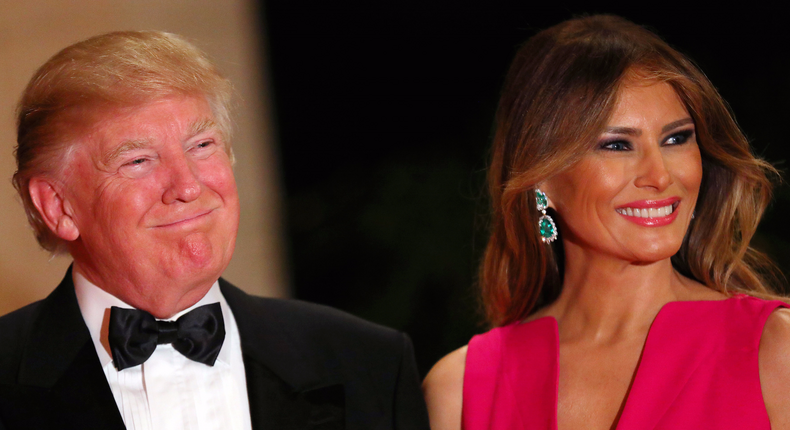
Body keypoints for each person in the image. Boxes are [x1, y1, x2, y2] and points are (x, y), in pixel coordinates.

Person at [0, 30, 430, 430]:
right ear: (58, 206)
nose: (188, 186)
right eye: (138, 161)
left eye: (201, 146)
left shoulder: (368, 364)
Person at [423, 15, 790, 430]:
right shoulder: (459, 392)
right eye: (616, 145)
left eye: (676, 139)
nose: (660, 175)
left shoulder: (776, 353)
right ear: (541, 176)